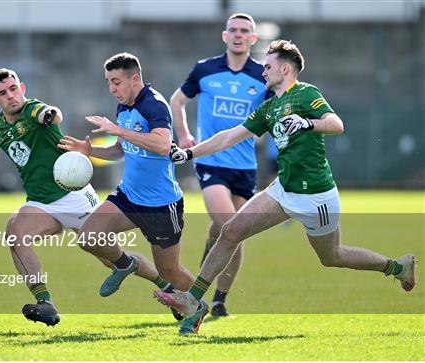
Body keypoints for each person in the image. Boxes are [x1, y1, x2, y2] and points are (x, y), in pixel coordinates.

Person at [155, 40, 416, 333]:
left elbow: (335, 123)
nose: (263, 72)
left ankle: (397, 267)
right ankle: (194, 301)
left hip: (316, 197)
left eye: (267, 67)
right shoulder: (269, 107)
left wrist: (307, 123)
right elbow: (229, 136)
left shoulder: (306, 94)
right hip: (283, 190)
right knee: (230, 231)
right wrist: (190, 153)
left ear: (285, 68)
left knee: (333, 257)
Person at [59, 53, 206, 334]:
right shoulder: (123, 108)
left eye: (116, 82)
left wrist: (120, 131)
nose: (112, 88)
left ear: (134, 78)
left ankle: (196, 307)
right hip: (128, 196)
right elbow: (120, 149)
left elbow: (163, 145)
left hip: (161, 205)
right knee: (89, 237)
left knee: (169, 272)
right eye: (108, 83)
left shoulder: (154, 105)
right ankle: (126, 265)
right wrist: (90, 152)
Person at [0, 68, 100, 326]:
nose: (10, 96)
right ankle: (45, 303)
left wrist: (49, 115)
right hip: (41, 203)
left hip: (75, 197)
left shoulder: (33, 110)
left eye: (13, 89)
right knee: (14, 232)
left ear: (22, 88)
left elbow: (51, 113)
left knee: (112, 258)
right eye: (3, 93)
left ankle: (165, 285)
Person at [170, 13, 271, 316]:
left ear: (253, 39)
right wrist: (185, 135)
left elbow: (271, 113)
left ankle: (219, 300)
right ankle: (195, 296)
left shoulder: (263, 75)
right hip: (210, 160)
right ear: (225, 36)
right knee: (231, 225)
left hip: (244, 166)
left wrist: (260, 134)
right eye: (233, 30)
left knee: (227, 232)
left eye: (245, 31)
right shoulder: (205, 69)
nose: (238, 35)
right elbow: (177, 101)